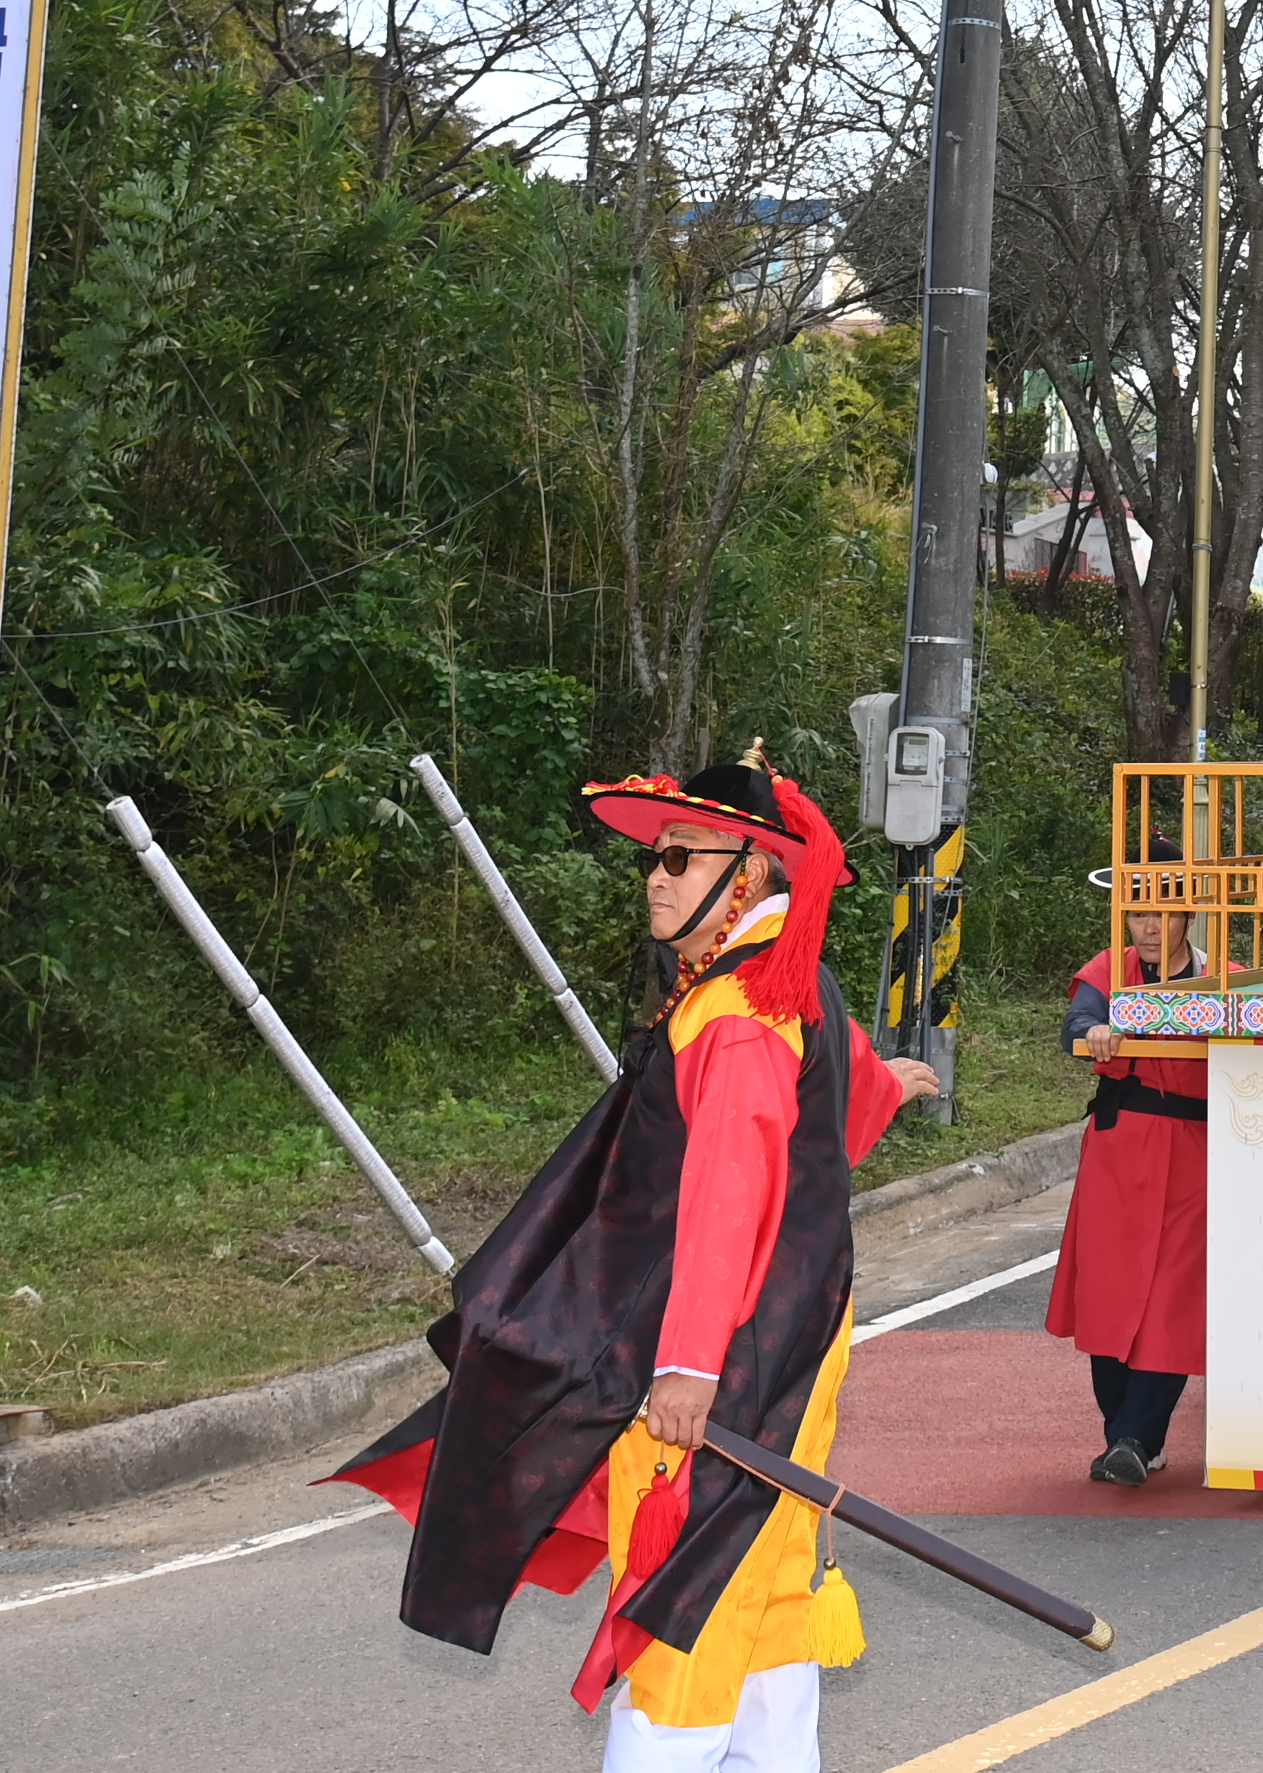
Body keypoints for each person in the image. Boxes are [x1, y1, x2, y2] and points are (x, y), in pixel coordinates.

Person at [339, 756, 932, 1771]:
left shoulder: (739, 1012)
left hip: (734, 1353)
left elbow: (727, 1200)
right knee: (764, 1588)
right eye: (653, 858)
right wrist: (886, 1090)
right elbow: (810, 1133)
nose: (653, 876)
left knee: (685, 1591)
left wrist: (689, 1368)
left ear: (746, 874)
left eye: (677, 856)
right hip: (789, 1336)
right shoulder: (781, 981)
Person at [1051, 867, 1206, 1488]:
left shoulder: (1221, 976)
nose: (1148, 925)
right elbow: (1077, 1024)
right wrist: (1092, 1031)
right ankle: (1124, 1433)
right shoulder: (1108, 969)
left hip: (1197, 1149)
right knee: (1110, 1294)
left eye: (1163, 913)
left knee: (1173, 1296)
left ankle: (1136, 1438)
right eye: (1138, 912)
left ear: (1189, 916)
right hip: (1121, 1148)